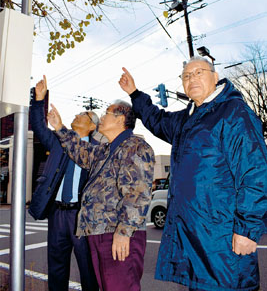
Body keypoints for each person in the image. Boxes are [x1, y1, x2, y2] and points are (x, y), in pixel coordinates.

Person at [119, 58, 267, 291]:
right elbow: (157, 120)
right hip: (195, 246)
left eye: (199, 72)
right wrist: (135, 93)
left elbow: (255, 172)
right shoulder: (187, 119)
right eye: (186, 76)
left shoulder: (233, 113)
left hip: (223, 245)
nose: (192, 79)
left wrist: (247, 230)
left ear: (215, 78)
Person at [47, 100, 155, 291]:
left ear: (120, 119)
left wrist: (123, 233)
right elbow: (79, 150)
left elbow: (137, 194)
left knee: (120, 287)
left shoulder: (135, 147)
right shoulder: (105, 151)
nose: (102, 118)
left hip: (117, 234)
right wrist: (59, 127)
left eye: (106, 113)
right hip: (98, 232)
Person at [29, 75, 104, 291]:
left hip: (82, 216)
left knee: (88, 269)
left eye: (83, 114)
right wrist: (39, 100)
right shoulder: (59, 140)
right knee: (56, 268)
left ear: (92, 126)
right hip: (58, 214)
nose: (77, 114)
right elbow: (39, 127)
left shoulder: (97, 150)